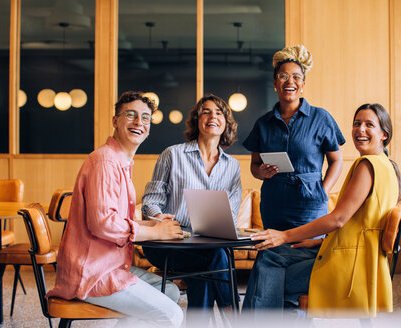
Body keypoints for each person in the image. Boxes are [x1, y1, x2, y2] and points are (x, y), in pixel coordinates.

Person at [246, 103, 401, 318]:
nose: (360, 129)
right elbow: (360, 225)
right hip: (359, 258)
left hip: (349, 266)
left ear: (384, 134)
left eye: (369, 125)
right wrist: (319, 241)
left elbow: (338, 220)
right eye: (357, 124)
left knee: (268, 266)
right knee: (270, 259)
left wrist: (284, 235)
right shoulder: (387, 166)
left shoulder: (366, 166)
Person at [47, 91, 184, 328]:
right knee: (172, 315)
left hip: (110, 266)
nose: (139, 123)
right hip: (91, 274)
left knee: (170, 292)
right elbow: (103, 223)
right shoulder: (105, 161)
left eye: (145, 118)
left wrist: (151, 224)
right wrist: (157, 233)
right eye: (130, 115)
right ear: (115, 121)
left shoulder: (121, 162)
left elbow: (116, 219)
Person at [242, 44, 345, 310]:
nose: (290, 81)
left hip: (310, 205)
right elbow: (254, 165)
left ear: (303, 84)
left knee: (296, 255)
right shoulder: (263, 123)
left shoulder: (321, 118)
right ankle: (287, 311)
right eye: (284, 76)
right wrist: (260, 172)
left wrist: (323, 190)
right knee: (274, 253)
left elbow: (336, 161)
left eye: (296, 77)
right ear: (275, 83)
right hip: (274, 203)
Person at [141, 94, 242, 314]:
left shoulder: (232, 166)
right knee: (215, 256)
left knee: (207, 265)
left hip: (207, 245)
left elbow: (231, 212)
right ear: (197, 120)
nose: (212, 116)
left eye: (219, 112)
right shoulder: (172, 154)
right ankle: (232, 313)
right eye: (206, 111)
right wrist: (162, 221)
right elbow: (150, 202)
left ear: (226, 123)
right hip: (169, 243)